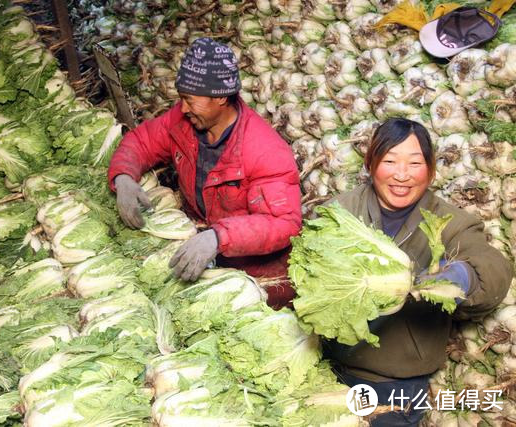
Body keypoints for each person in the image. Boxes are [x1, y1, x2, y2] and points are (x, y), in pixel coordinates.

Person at [324, 117, 513, 426]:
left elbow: (493, 267)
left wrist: (460, 277)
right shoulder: (342, 211)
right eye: (389, 161)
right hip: (331, 368)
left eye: (414, 163)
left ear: (431, 170)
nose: (401, 175)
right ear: (371, 163)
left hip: (397, 384)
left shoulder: (450, 221)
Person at [108, 37, 302, 309]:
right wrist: (124, 177)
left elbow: (284, 223)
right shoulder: (184, 121)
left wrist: (219, 237)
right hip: (199, 244)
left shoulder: (264, 150)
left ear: (221, 97)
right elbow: (142, 142)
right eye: (182, 98)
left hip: (254, 275)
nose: (183, 108)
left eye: (189, 99)